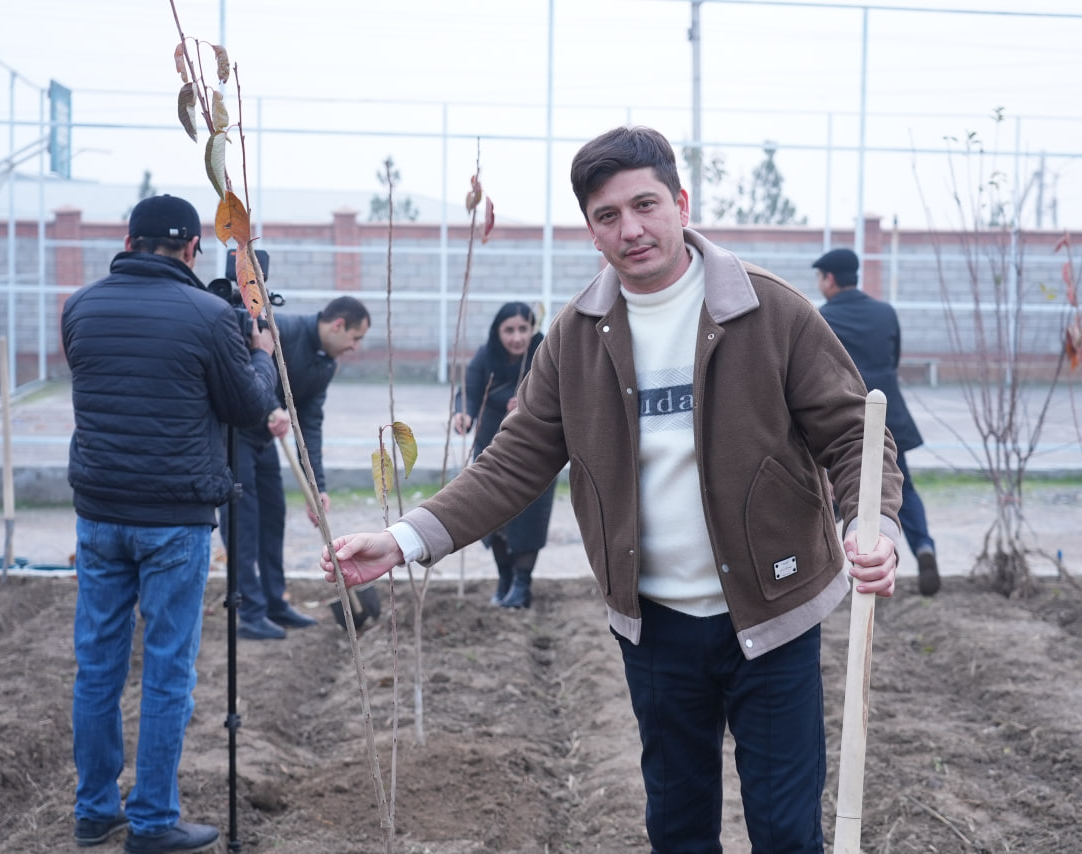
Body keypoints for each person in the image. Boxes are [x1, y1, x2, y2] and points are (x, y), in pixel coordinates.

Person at [320, 126, 902, 853]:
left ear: (680, 204)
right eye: (608, 215)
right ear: (591, 231)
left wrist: (871, 523)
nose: (631, 230)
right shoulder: (575, 337)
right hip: (655, 625)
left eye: (645, 205)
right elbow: (511, 463)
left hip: (773, 613)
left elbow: (853, 434)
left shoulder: (771, 311)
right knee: (678, 830)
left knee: (786, 832)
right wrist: (403, 539)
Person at [62, 194, 278, 854]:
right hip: (174, 519)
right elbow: (248, 408)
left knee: (97, 666)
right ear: (191, 249)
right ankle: (153, 820)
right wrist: (261, 353)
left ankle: (94, 810)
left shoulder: (79, 307)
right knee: (166, 672)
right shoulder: (208, 315)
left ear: (128, 242)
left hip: (99, 512)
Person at [225, 294, 372, 640]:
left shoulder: (325, 364)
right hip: (234, 437)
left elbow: (310, 426)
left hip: (264, 442)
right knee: (243, 525)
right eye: (355, 338)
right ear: (338, 326)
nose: (355, 347)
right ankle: (250, 613)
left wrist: (316, 487)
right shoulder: (281, 331)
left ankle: (275, 602)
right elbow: (240, 366)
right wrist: (270, 406)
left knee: (273, 519)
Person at [813, 247, 940, 596]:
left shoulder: (821, 318)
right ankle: (924, 547)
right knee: (902, 489)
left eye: (820, 278)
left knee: (834, 493)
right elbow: (893, 359)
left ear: (830, 279)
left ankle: (830, 565)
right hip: (890, 416)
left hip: (842, 419)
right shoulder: (885, 313)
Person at [451, 301, 554, 609]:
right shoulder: (487, 356)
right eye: (509, 330)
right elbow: (468, 391)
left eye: (523, 329)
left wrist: (529, 403)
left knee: (529, 520)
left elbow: (564, 393)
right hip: (492, 452)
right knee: (493, 517)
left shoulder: (545, 354)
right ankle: (505, 578)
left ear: (533, 329)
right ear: (497, 332)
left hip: (536, 453)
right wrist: (463, 413)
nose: (517, 337)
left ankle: (523, 584)